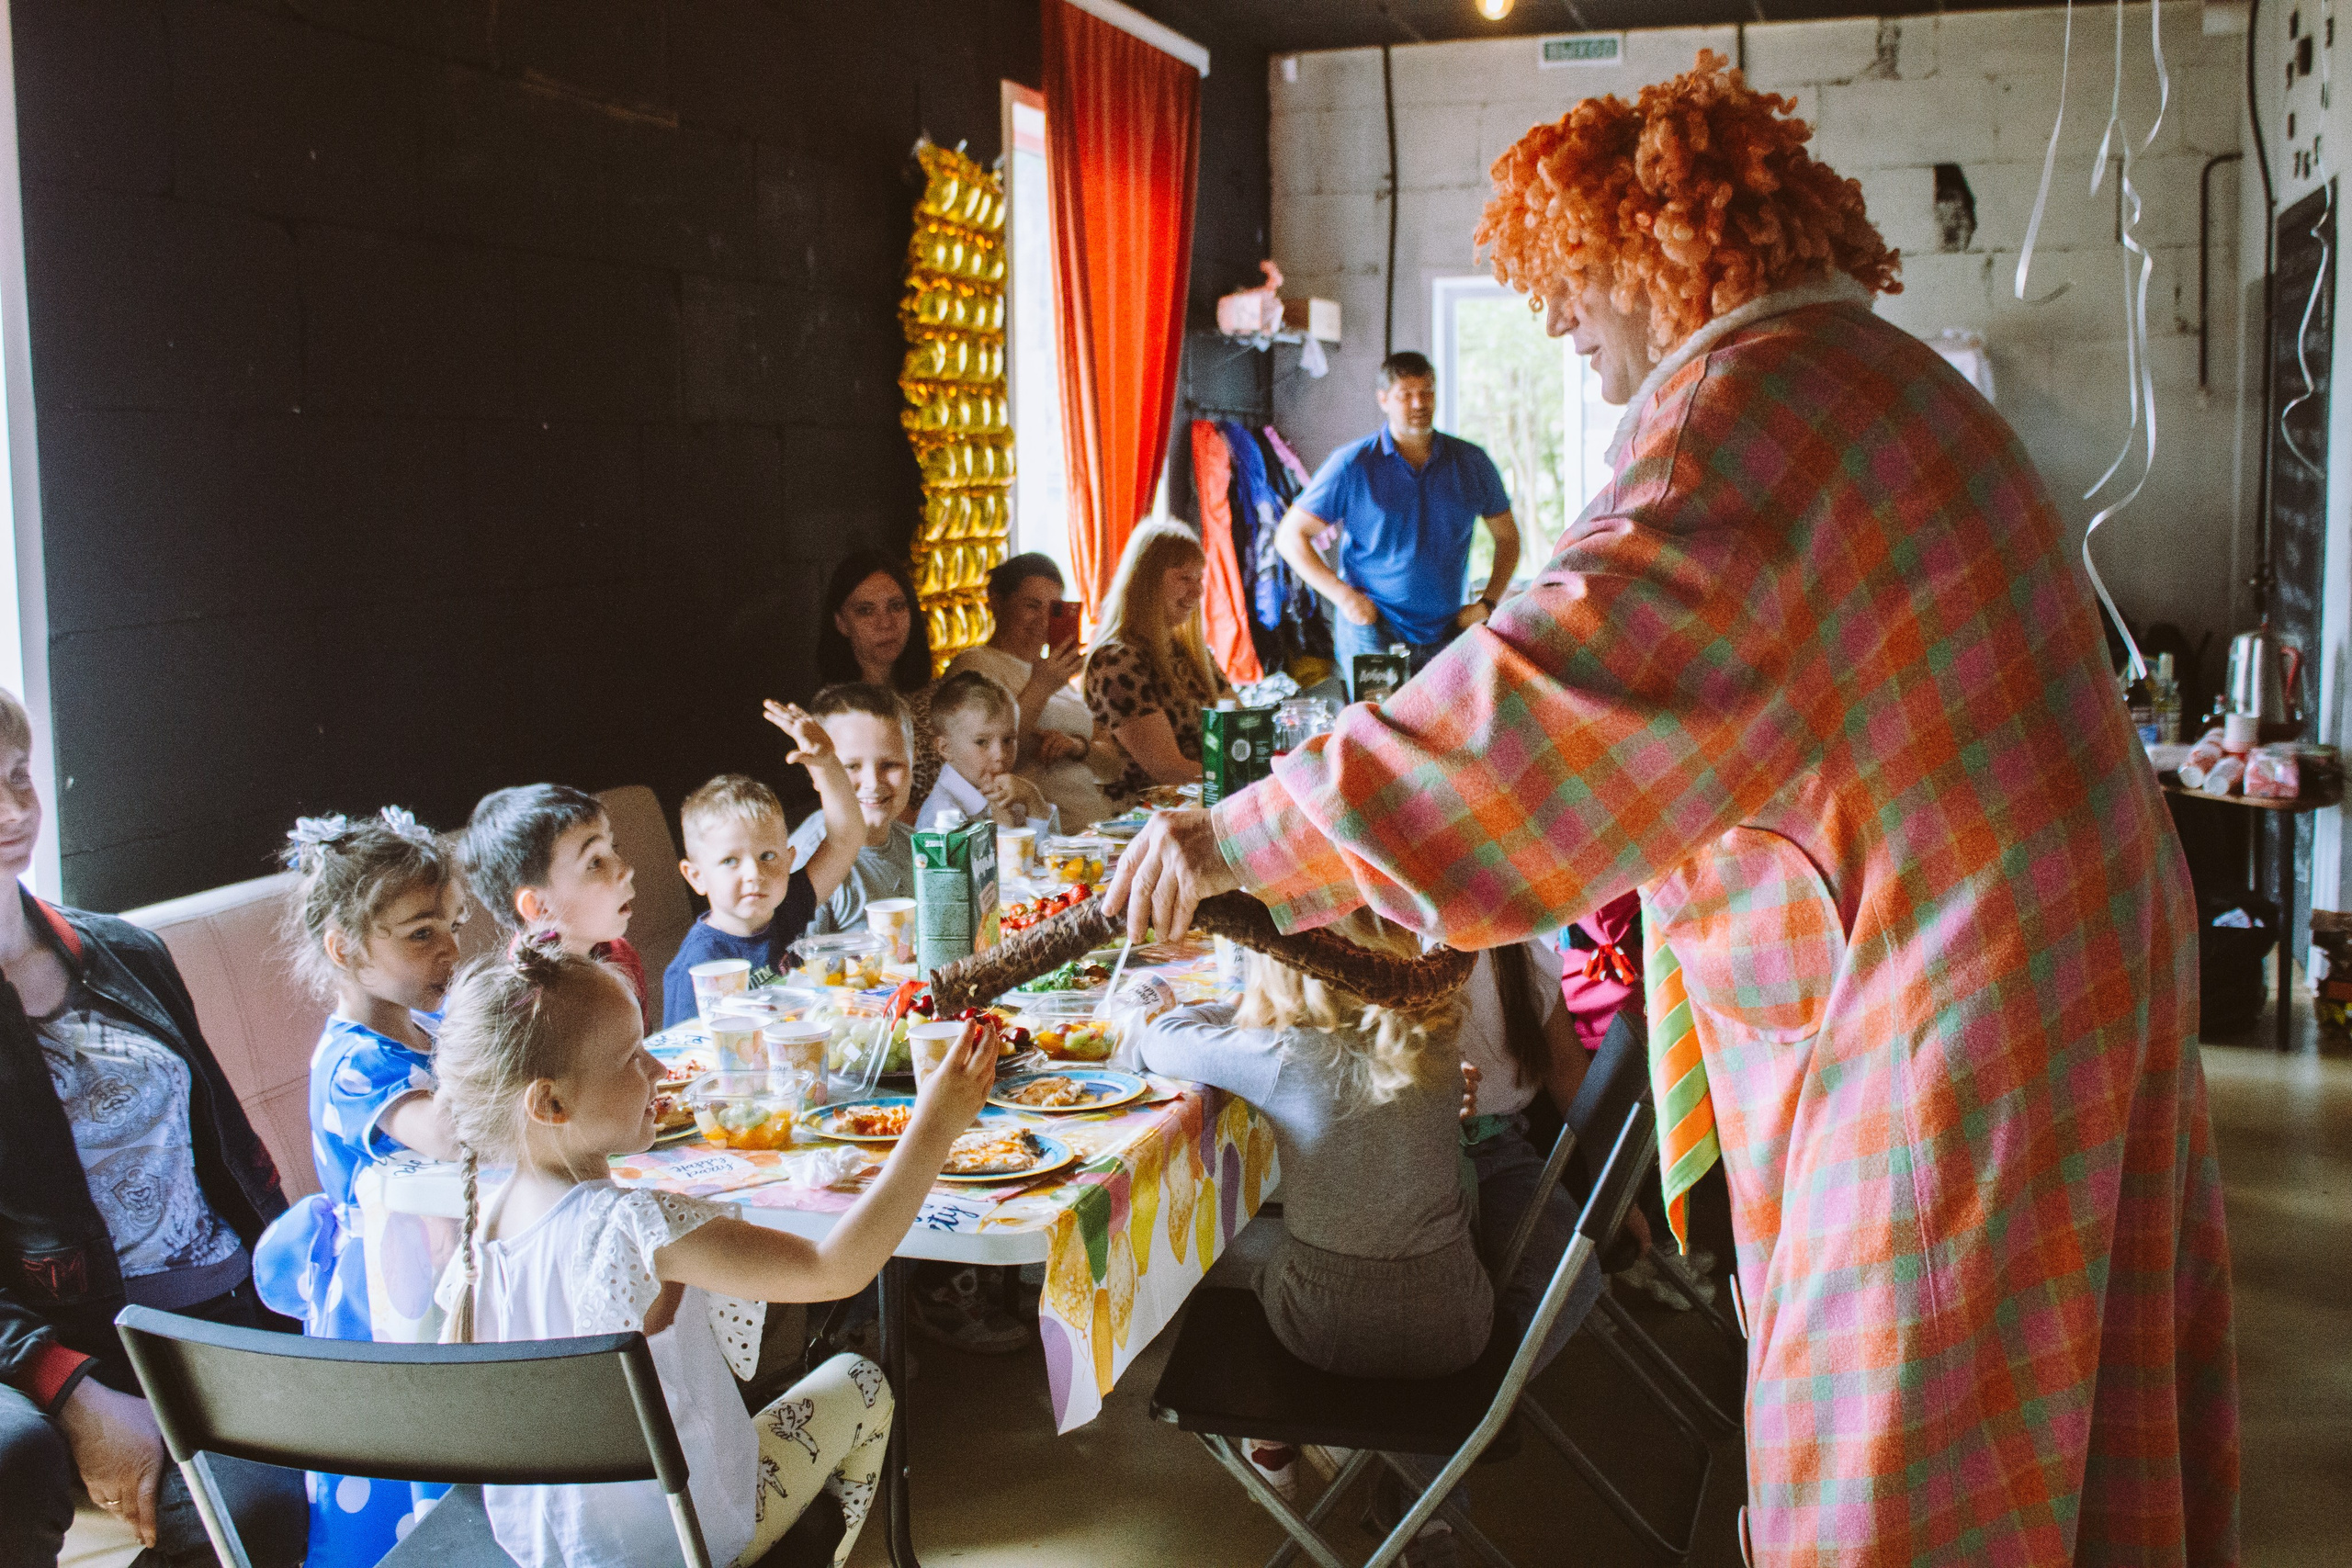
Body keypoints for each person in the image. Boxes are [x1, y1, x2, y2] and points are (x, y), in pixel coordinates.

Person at [1106, 52, 2237, 1565]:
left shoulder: (1743, 410)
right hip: (2064, 960)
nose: (1557, 320)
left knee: (1906, 1469)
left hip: (1953, 1004)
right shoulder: (1874, 375)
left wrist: (1241, 835)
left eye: (1568, 280)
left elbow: (1538, 708)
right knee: (2057, 1423)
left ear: (1661, 252)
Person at [432, 944, 999, 1568]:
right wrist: (934, 1126)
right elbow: (835, 1268)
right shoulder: (635, 1227)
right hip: (684, 1541)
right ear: (550, 1104)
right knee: (862, 1382)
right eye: (632, 1057)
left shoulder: (481, 1230)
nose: (659, 1069)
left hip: (551, 1547)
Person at [0, 685, 306, 1566]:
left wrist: (306, 1276)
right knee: (245, 1514)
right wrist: (77, 1394)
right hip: (91, 1341)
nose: (16, 812)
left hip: (235, 1305)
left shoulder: (126, 951)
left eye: (19, 776)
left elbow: (231, 1149)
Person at [1133, 910, 1490, 1380]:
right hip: (1458, 1315)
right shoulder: (1436, 1039)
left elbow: (1158, 1040)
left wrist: (1235, 1006)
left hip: (1325, 1325)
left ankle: (1272, 1417)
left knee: (1243, 1262)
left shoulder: (1282, 1055)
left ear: (1277, 972)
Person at [251, 807, 466, 1565]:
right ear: (344, 948)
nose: (451, 947)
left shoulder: (421, 1026)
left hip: (440, 1267)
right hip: (385, 1294)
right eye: (421, 932)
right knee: (405, 1462)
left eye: (453, 924)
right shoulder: (354, 1060)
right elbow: (447, 1132)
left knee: (462, 1441)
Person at [1273, 351, 1519, 681]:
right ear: (1384, 399)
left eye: (1427, 392)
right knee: (1377, 716)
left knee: (1445, 716)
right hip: (1371, 628)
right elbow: (1290, 536)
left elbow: (1508, 538)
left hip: (1449, 628)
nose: (1419, 403)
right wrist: (1343, 597)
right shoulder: (1353, 464)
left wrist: (1488, 603)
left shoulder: (1471, 462)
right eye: (1406, 395)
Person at [661, 744, 862, 1029]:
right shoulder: (698, 966)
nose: (754, 874)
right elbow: (683, 1052)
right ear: (696, 876)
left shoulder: (785, 907)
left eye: (767, 856)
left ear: (789, 860)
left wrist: (827, 764)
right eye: (730, 861)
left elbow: (845, 838)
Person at [944, 553, 1121, 828]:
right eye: (1032, 605)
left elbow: (1113, 767)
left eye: (1053, 609)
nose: (1043, 619)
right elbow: (988, 760)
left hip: (1096, 827)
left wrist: (1076, 746)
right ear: (997, 602)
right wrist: (1041, 686)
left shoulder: (1057, 676)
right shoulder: (975, 665)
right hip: (1041, 834)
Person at [459, 784, 650, 1030]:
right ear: (539, 907)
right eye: (594, 862)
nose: (626, 870)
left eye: (613, 848)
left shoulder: (620, 955)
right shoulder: (527, 1007)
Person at [1082, 522, 1237, 802]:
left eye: (1198, 578)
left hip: (1201, 804)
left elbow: (1240, 726)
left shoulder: (1190, 654)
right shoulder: (1116, 662)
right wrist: (1244, 776)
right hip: (1146, 815)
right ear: (1148, 581)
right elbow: (1167, 768)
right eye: (1184, 578)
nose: (1198, 591)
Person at [814, 552, 943, 819]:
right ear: (841, 623)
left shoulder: (935, 694)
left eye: (896, 606)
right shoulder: (836, 710)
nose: (885, 623)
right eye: (865, 610)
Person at [786, 684, 918, 938]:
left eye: (889, 765)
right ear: (817, 772)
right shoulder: (808, 861)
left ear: (913, 763)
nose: (873, 782)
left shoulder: (917, 846)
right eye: (851, 766)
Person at [915, 671, 1055, 834]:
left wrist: (1035, 801)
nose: (1000, 755)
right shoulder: (942, 816)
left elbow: (1054, 848)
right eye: (981, 742)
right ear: (946, 748)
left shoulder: (1013, 792)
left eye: (1008, 740)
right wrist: (1004, 824)